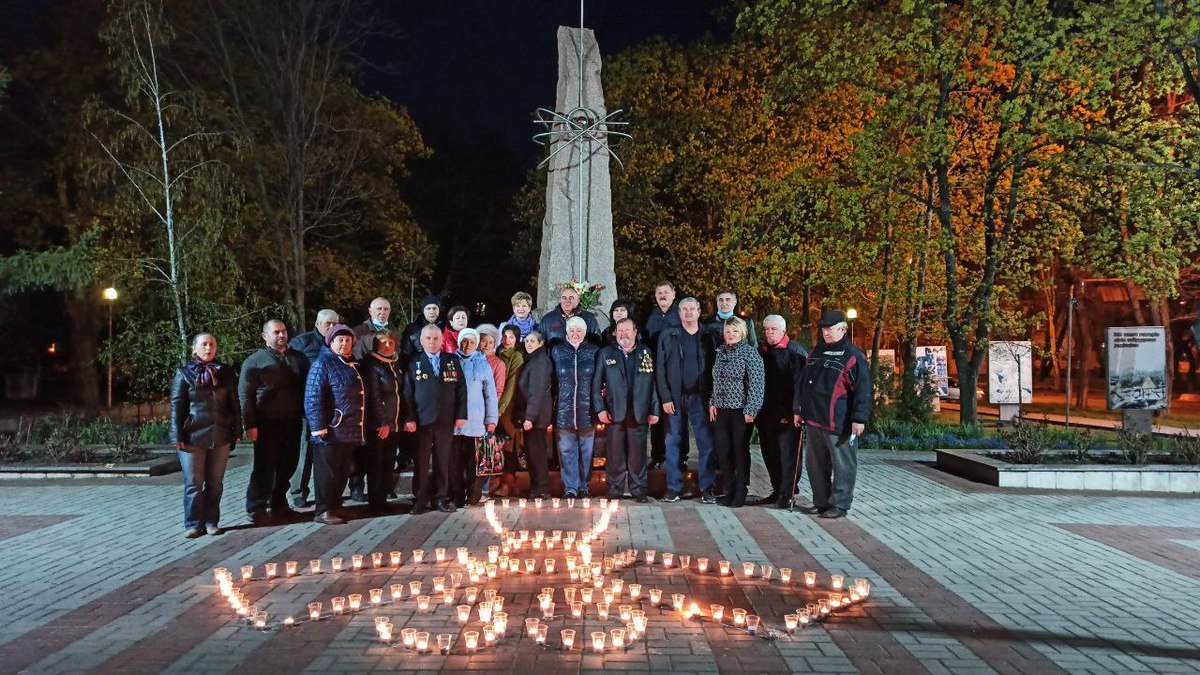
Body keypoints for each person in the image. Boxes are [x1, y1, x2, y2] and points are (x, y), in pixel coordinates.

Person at [793, 310, 873, 519]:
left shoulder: (853, 355)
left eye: (830, 329)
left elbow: (863, 389)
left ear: (843, 329)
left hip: (838, 422)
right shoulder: (817, 351)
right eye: (824, 329)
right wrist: (797, 409)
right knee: (814, 464)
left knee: (843, 465)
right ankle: (821, 502)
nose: (826, 333)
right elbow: (802, 383)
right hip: (813, 419)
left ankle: (839, 504)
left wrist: (859, 419)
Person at [171, 333, 241, 538]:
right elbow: (176, 405)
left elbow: (234, 403)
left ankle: (211, 521)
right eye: (204, 344)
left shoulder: (225, 372)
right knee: (193, 483)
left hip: (220, 435)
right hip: (192, 436)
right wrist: (176, 434)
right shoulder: (184, 373)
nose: (208, 347)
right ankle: (193, 523)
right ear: (194, 349)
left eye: (212, 344)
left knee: (215, 483)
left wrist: (237, 429)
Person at [239, 319, 308, 525]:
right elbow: (245, 395)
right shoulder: (255, 361)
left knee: (288, 465)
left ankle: (279, 504)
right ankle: (256, 507)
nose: (281, 335)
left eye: (284, 331)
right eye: (276, 332)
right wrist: (249, 424)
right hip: (267, 423)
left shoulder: (299, 358)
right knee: (265, 467)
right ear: (265, 336)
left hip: (293, 421)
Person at [303, 323, 366, 525]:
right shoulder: (323, 363)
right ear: (330, 342)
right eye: (340, 340)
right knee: (327, 473)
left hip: (347, 430)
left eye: (348, 340)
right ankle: (323, 510)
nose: (344, 343)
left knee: (341, 471)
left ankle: (336, 505)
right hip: (330, 430)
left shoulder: (349, 362)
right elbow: (313, 396)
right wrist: (317, 426)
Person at [656, 297, 716, 503]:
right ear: (678, 313)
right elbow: (660, 369)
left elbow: (718, 369)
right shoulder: (668, 335)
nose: (688, 313)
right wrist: (665, 397)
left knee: (706, 443)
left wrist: (714, 398)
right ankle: (674, 488)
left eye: (692, 309)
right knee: (672, 442)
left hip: (701, 398)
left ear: (699, 312)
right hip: (674, 398)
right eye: (684, 309)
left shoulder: (709, 336)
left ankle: (707, 488)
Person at [402, 325, 467, 514]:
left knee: (443, 460)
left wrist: (461, 414)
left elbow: (461, 389)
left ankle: (440, 497)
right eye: (428, 338)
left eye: (436, 338)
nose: (432, 342)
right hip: (421, 421)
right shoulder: (414, 363)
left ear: (441, 340)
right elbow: (407, 394)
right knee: (421, 462)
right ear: (421, 341)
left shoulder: (452, 361)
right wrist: (409, 418)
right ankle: (421, 499)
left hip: (445, 420)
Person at [593, 318, 660, 503]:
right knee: (614, 453)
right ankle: (614, 489)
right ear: (615, 333)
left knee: (638, 454)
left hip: (639, 411)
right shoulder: (606, 353)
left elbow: (652, 383)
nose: (624, 334)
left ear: (635, 331)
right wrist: (600, 409)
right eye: (620, 330)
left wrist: (654, 409)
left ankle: (638, 489)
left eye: (627, 330)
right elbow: (596, 384)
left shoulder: (645, 352)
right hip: (614, 413)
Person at [708, 317, 765, 508]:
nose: (730, 335)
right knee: (723, 452)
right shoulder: (720, 352)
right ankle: (729, 489)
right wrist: (712, 402)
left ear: (742, 333)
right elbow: (715, 380)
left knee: (739, 451)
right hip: (721, 410)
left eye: (735, 331)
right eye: (728, 331)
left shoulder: (750, 354)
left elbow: (757, 385)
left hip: (741, 411)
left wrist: (751, 409)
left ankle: (741, 490)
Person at [287, 309, 339, 509]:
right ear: (318, 324)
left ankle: (325, 493)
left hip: (333, 409)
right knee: (305, 452)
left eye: (335, 323)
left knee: (327, 453)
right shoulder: (302, 343)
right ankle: (299, 492)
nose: (332, 327)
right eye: (328, 324)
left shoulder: (338, 341)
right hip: (308, 407)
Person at [757, 314, 808, 508]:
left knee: (789, 455)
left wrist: (798, 411)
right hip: (766, 414)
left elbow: (800, 385)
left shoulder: (795, 352)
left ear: (783, 330)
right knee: (770, 454)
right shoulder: (762, 351)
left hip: (788, 413)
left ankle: (787, 493)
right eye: (766, 329)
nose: (769, 333)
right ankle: (776, 489)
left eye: (773, 329)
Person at [550, 316, 600, 498]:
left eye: (579, 330)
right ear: (566, 332)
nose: (575, 334)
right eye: (572, 330)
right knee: (566, 450)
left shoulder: (594, 351)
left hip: (587, 410)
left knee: (586, 451)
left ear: (585, 332)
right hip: (564, 410)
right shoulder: (557, 351)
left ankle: (584, 486)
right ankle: (570, 488)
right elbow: (552, 381)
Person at [357, 328, 406, 513]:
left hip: (394, 423)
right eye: (383, 342)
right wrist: (382, 423)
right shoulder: (372, 365)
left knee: (388, 462)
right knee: (376, 464)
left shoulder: (394, 364)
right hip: (380, 425)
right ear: (376, 345)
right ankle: (375, 503)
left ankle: (383, 499)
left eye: (390, 342)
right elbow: (374, 396)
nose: (387, 345)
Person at [451, 328, 498, 506]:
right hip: (455, 421)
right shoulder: (451, 361)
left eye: (471, 342)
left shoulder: (483, 364)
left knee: (474, 461)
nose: (468, 345)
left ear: (476, 343)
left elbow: (490, 394)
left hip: (476, 421)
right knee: (454, 461)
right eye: (464, 341)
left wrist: (491, 420)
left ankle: (473, 493)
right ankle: (456, 495)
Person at [481, 324, 522, 497]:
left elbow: (510, 385)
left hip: (506, 405)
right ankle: (495, 478)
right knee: (495, 443)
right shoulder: (496, 354)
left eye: (511, 337)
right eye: (504, 336)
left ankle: (508, 481)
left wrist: (500, 408)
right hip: (491, 406)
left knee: (509, 441)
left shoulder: (516, 356)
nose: (507, 340)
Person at [644, 281, 681, 470]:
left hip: (674, 371)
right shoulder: (650, 316)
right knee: (656, 413)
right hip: (653, 370)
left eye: (666, 292)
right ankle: (658, 455)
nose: (662, 296)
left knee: (677, 415)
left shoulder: (680, 314)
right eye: (659, 293)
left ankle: (680, 457)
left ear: (674, 294)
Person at [515, 331, 553, 498]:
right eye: (527, 341)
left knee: (537, 454)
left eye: (532, 341)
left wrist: (530, 417)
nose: (529, 344)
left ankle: (542, 489)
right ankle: (537, 487)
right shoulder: (532, 359)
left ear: (541, 343)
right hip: (531, 416)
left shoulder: (540, 361)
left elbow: (536, 391)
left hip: (536, 418)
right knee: (532, 454)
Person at [402, 295, 443, 359]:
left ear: (439, 310)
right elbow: (405, 354)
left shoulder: (445, 327)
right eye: (428, 308)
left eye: (434, 308)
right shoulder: (412, 329)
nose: (432, 311)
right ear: (423, 311)